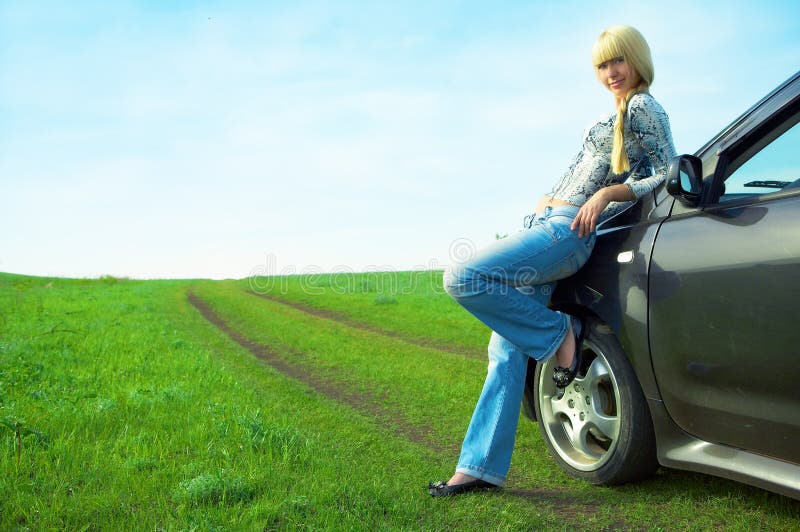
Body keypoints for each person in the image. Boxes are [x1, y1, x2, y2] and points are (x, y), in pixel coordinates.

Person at [428, 25, 676, 497]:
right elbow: (583, 168)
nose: (611, 73)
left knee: (462, 275)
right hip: (549, 222)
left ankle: (558, 334)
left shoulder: (644, 107)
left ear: (637, 60)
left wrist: (605, 194)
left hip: (569, 232)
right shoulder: (614, 115)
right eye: (602, 65)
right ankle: (479, 469)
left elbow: (664, 172)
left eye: (618, 61)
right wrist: (552, 195)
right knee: (503, 352)